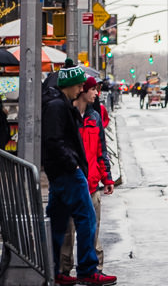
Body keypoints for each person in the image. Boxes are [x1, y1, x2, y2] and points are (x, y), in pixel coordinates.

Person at [41, 58, 117, 286]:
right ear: (73, 86)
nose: (82, 88)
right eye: (80, 85)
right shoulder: (58, 106)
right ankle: (86, 269)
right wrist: (73, 164)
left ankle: (57, 271)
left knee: (59, 222)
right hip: (68, 173)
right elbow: (54, 141)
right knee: (86, 219)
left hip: (61, 173)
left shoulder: (62, 105)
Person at [59, 77, 115, 280]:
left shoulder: (95, 117)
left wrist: (107, 178)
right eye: (93, 89)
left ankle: (94, 270)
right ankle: (63, 271)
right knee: (67, 232)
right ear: (81, 90)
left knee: (92, 231)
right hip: (71, 183)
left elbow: (102, 149)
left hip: (92, 185)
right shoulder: (66, 116)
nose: (96, 93)